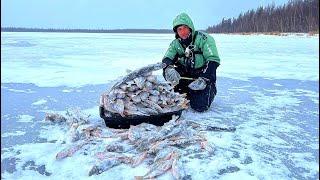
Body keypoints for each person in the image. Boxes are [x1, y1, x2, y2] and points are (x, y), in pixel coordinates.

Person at [162, 12, 221, 112]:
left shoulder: (204, 39)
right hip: (184, 76)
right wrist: (168, 69)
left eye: (185, 27)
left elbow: (213, 60)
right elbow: (167, 58)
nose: (182, 32)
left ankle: (209, 90)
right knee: (171, 101)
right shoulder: (175, 44)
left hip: (202, 76)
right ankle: (185, 90)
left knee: (199, 106)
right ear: (176, 32)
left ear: (190, 27)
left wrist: (204, 78)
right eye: (179, 29)